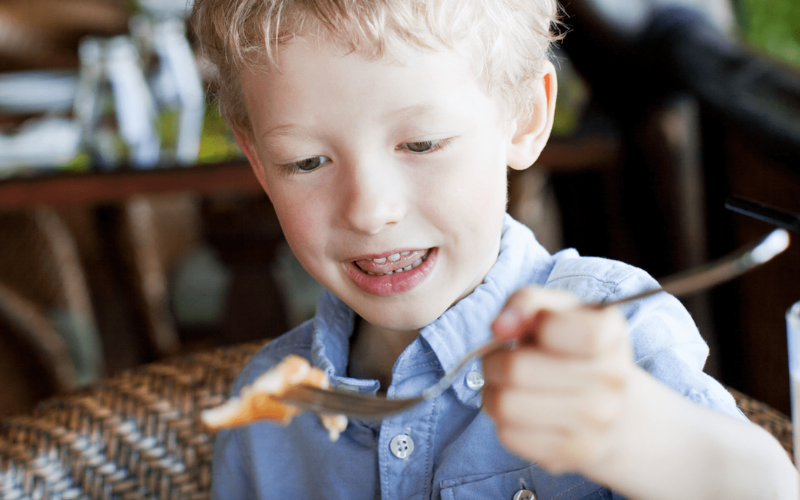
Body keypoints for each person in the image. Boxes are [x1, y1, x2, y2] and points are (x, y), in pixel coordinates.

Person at [190, 0, 798, 498]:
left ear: (525, 115)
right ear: (259, 166)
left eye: (423, 144)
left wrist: (628, 431)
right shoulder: (266, 415)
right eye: (306, 161)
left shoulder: (614, 333)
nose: (370, 210)